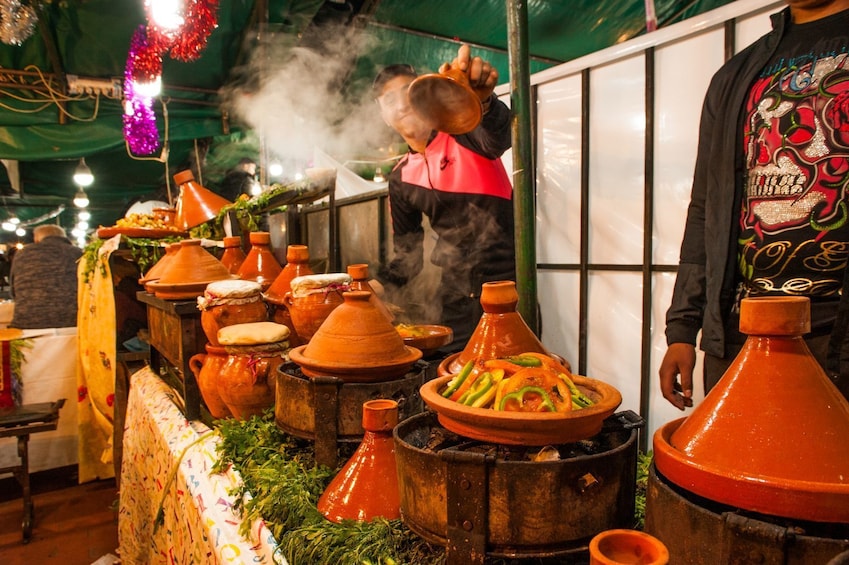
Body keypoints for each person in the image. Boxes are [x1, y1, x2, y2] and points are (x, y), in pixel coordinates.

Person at [659, 0, 849, 410]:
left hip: (837, 333)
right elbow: (705, 209)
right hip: (740, 329)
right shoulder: (735, 76)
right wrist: (683, 327)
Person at [373, 44, 515, 350]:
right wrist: (373, 286)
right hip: (454, 296)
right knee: (450, 382)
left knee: (511, 377)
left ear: (422, 96)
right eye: (388, 99)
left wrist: (484, 101)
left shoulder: (465, 133)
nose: (400, 103)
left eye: (407, 91)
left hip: (508, 288)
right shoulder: (399, 178)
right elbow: (407, 259)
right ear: (383, 115)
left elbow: (498, 136)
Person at [10, 224, 83, 329]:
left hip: (27, 325)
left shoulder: (22, 254)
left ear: (37, 239)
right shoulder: (78, 253)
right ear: (64, 237)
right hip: (73, 324)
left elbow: (13, 292)